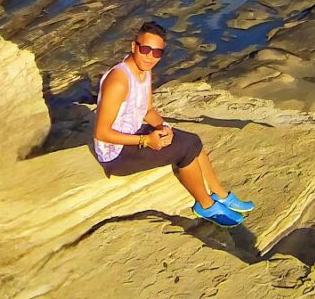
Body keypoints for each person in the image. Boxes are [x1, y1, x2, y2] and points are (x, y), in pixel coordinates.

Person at [93, 21, 254, 227]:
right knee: (186, 149)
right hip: (116, 154)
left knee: (192, 140)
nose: (150, 56)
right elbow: (101, 132)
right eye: (145, 49)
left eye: (157, 53)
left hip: (133, 134)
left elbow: (148, 110)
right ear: (134, 46)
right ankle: (204, 205)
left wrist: (164, 128)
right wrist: (146, 140)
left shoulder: (144, 71)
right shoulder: (119, 80)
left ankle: (220, 194)